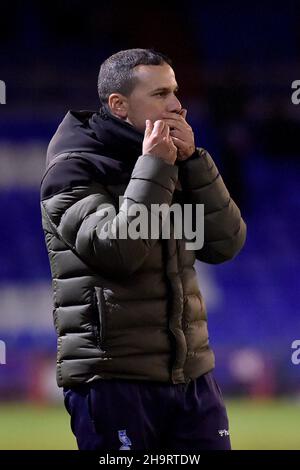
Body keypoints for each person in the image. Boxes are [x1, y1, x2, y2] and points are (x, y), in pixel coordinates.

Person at [40, 48, 246, 451]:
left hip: (191, 377)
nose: (178, 106)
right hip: (114, 380)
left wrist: (194, 164)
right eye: (161, 94)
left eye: (176, 92)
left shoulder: (171, 159)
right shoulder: (73, 167)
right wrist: (154, 166)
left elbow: (224, 245)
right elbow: (119, 252)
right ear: (118, 105)